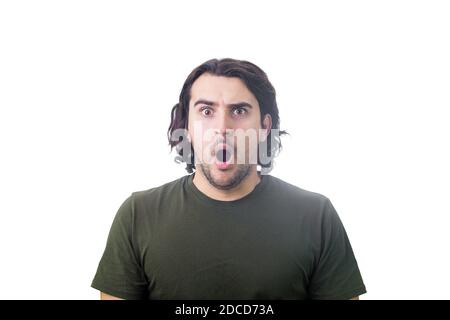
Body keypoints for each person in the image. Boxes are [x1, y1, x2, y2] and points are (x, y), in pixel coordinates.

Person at [91, 58, 366, 300]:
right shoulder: (138, 215)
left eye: (239, 111)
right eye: (206, 111)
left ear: (264, 127)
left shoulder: (317, 216)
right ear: (187, 125)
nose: (222, 129)